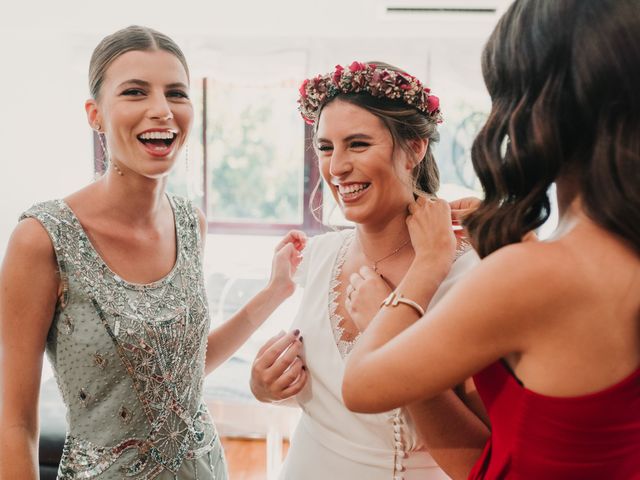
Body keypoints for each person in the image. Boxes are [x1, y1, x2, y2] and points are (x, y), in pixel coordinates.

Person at [342, 1, 640, 478]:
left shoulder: (534, 274)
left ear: (541, 104)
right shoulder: (606, 256)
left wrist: (416, 280)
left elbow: (360, 385)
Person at [0, 25, 305, 479]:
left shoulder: (189, 222)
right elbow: (14, 421)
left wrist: (275, 291)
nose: (161, 110)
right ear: (95, 114)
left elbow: (182, 370)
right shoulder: (42, 238)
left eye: (176, 94)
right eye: (135, 92)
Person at [250, 61, 490, 480]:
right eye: (325, 147)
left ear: (414, 148)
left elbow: (477, 461)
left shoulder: (468, 274)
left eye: (357, 144)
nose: (336, 167)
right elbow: (331, 401)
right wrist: (266, 387)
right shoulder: (319, 257)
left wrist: (392, 329)